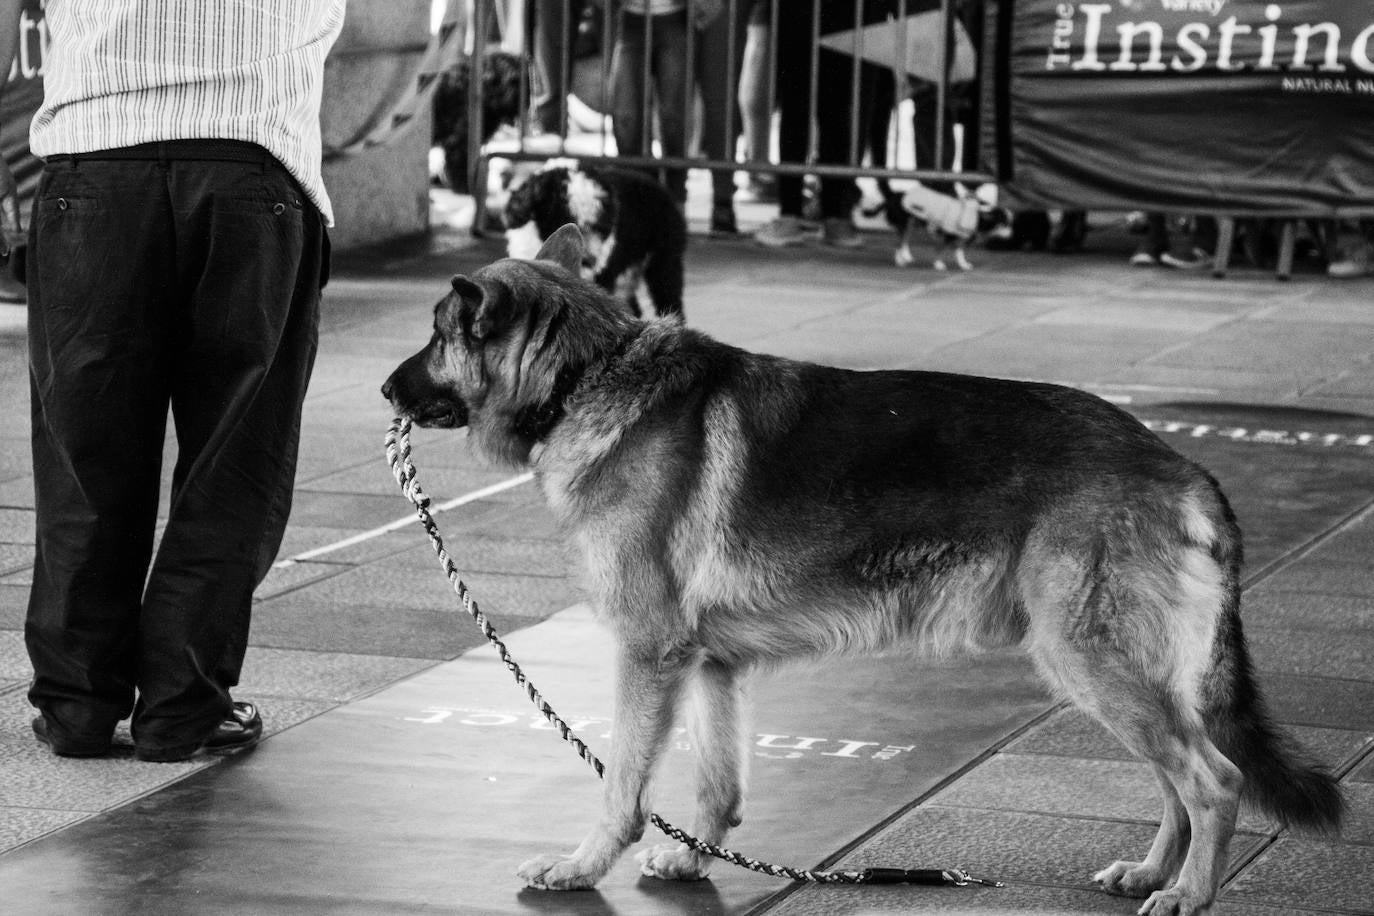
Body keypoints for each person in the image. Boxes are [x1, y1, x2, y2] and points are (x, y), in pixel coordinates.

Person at [12, 0, 342, 762]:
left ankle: (77, 705)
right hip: (251, 167)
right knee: (235, 465)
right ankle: (181, 708)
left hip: (95, 166)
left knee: (83, 463)